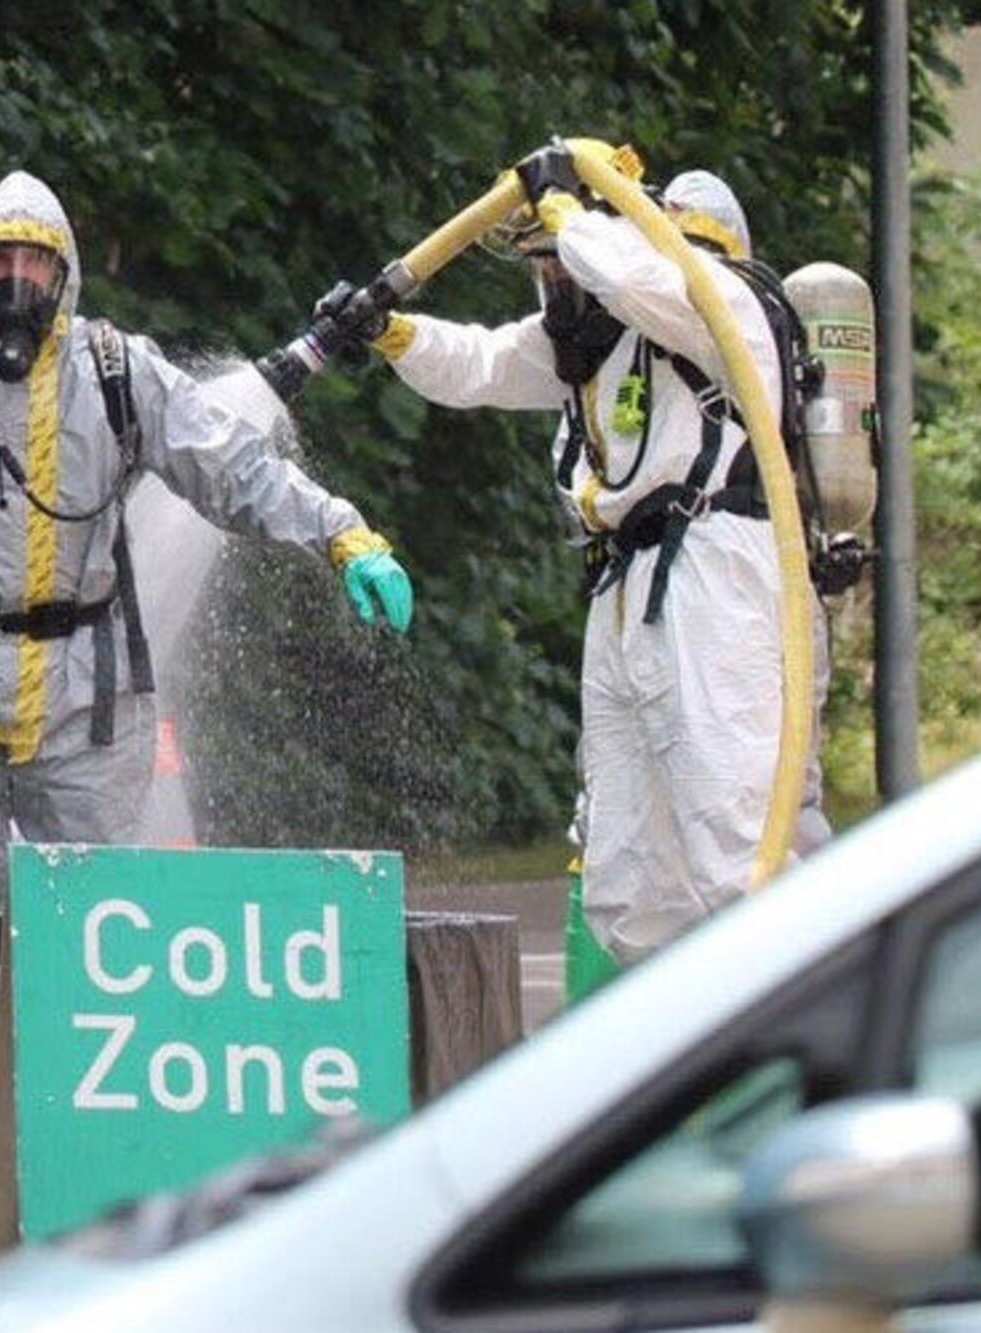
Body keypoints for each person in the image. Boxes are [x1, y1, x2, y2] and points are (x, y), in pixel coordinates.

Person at [0, 169, 414, 919]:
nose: (16, 281)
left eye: (34, 263)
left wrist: (340, 532)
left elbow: (231, 465)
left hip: (85, 687)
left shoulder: (117, 372)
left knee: (97, 914)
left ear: (64, 273)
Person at [320, 145, 820, 967]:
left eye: (561, 264)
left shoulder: (716, 304)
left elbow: (632, 279)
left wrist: (571, 206)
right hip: (626, 585)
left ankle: (796, 1033)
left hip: (712, 576)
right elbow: (478, 364)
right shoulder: (604, 344)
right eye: (541, 268)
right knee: (627, 878)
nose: (555, 285)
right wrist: (389, 330)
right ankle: (678, 1050)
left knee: (736, 845)